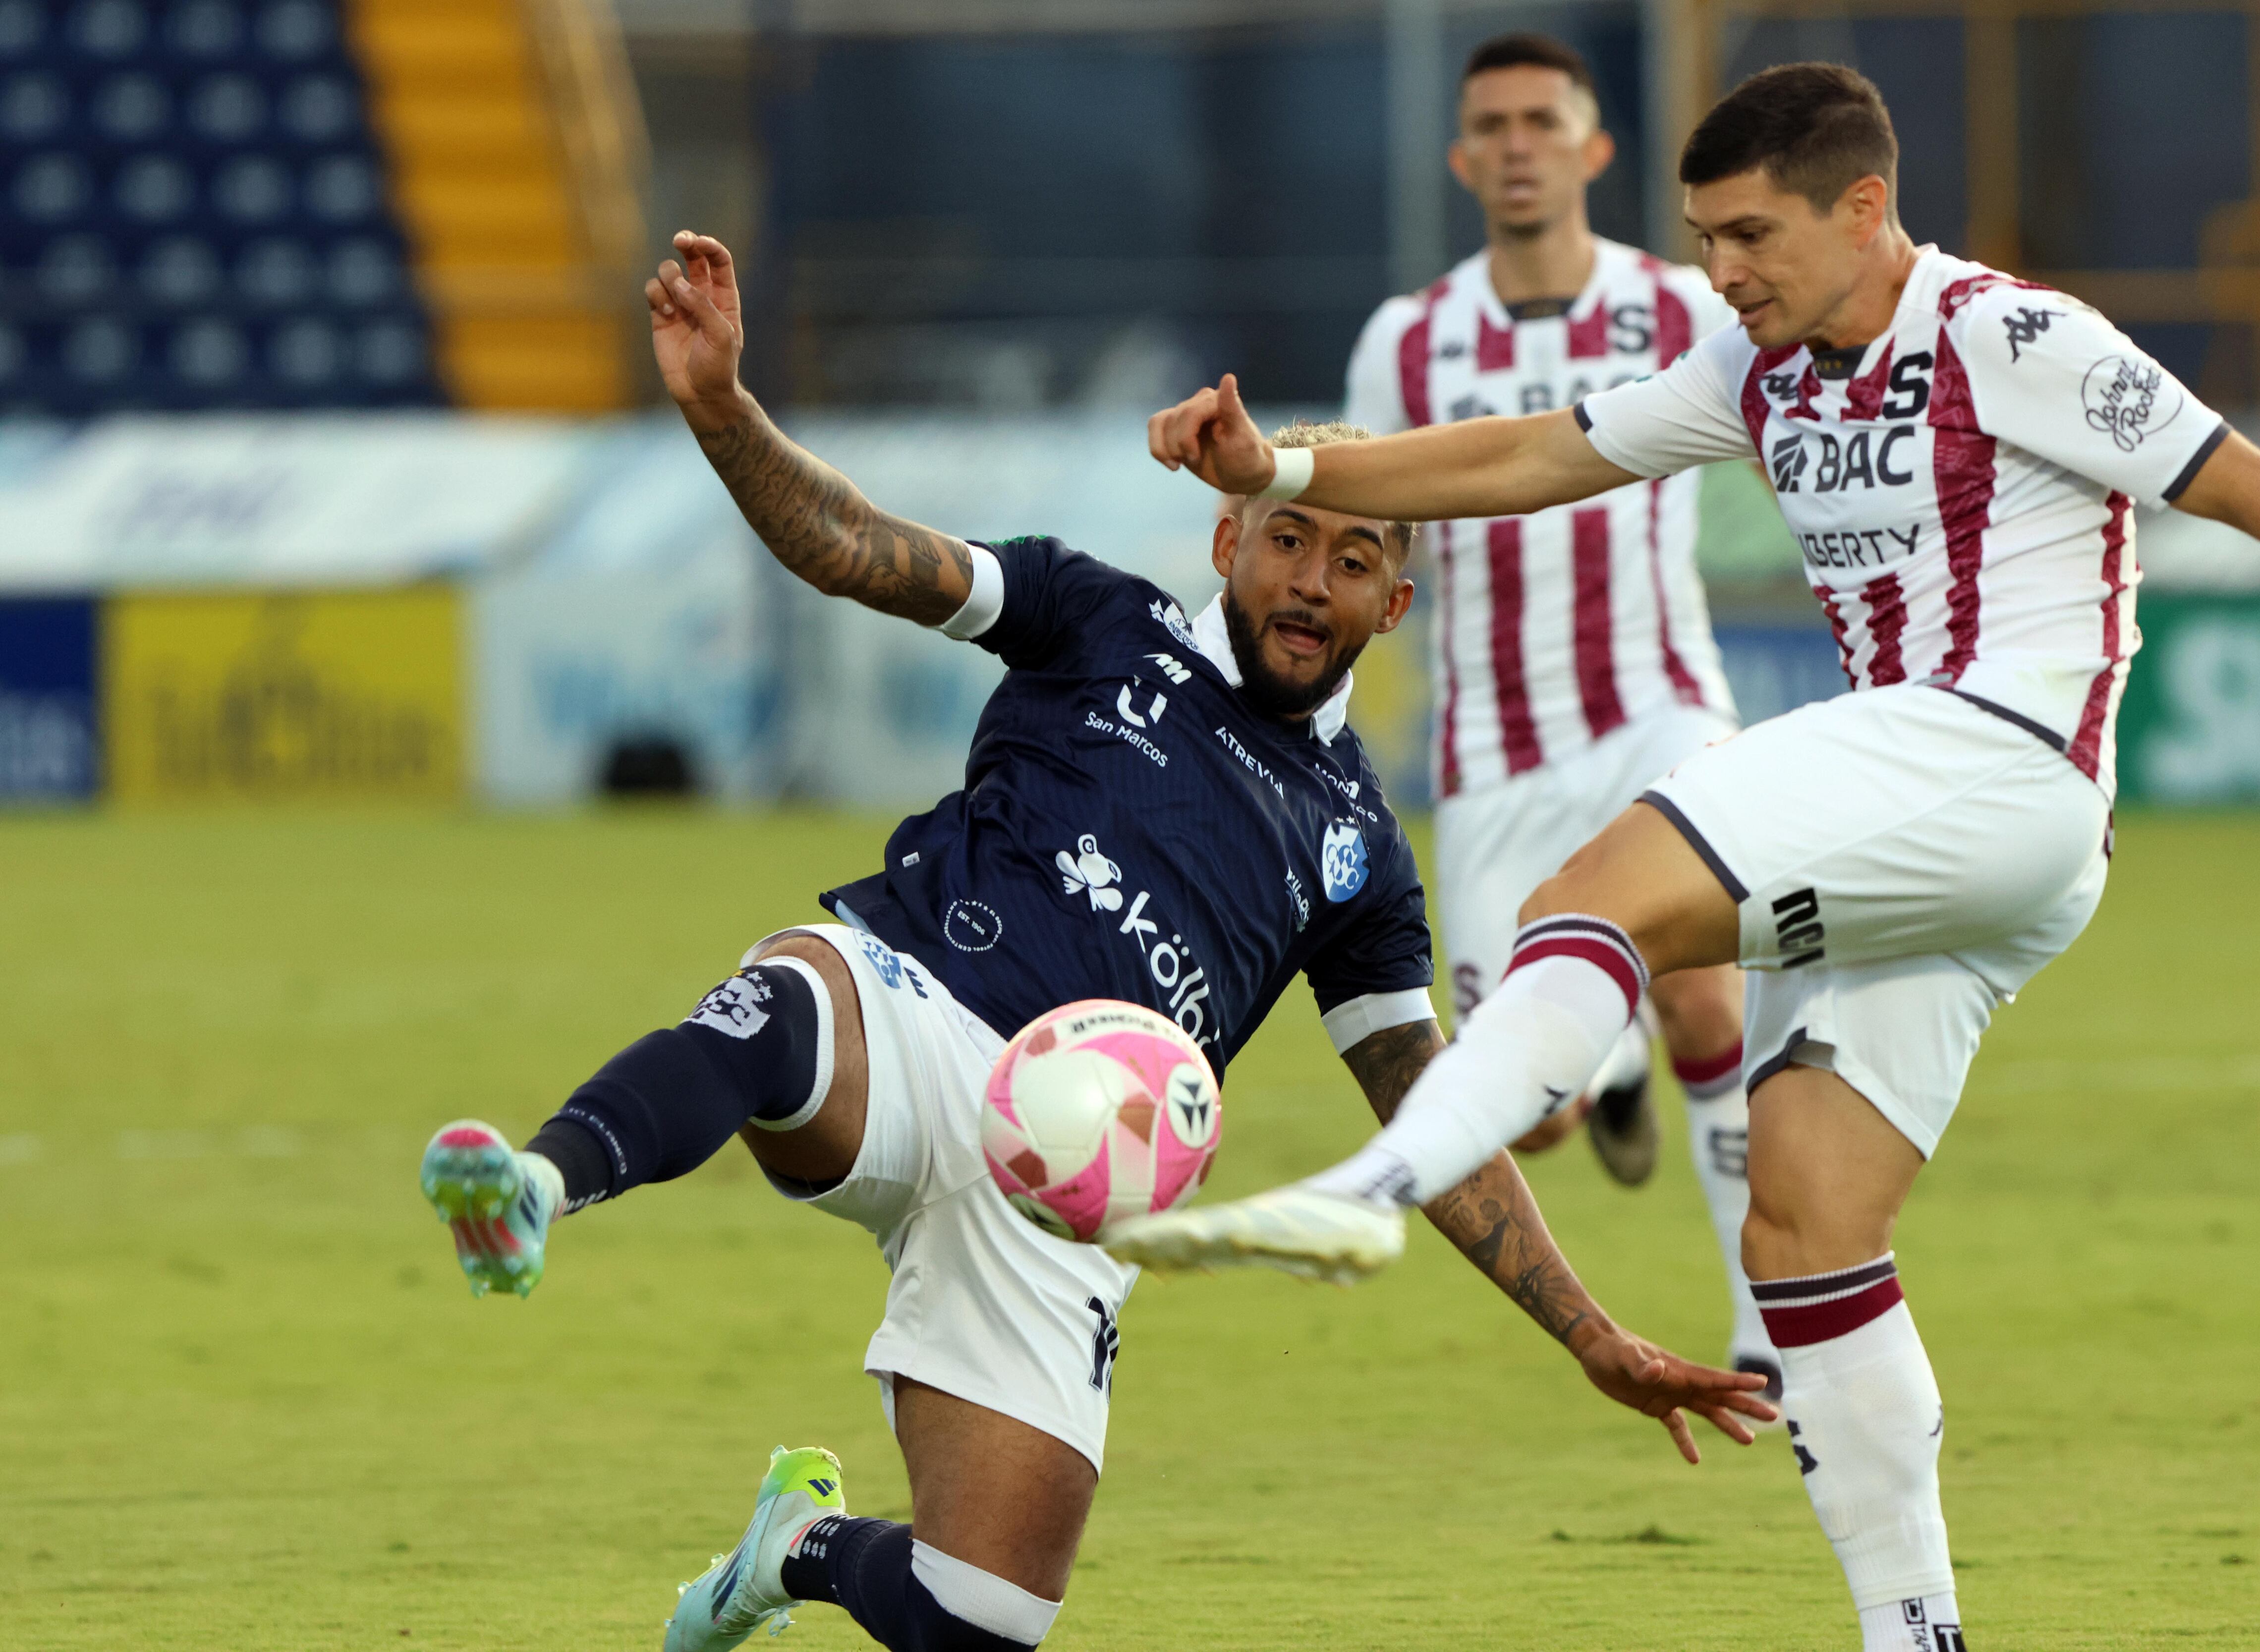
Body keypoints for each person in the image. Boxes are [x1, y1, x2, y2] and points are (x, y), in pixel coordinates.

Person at [1116, 63, 2260, 1652]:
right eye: (1704, 241)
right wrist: (1280, 471)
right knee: (1807, 1229)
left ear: (1865, 209)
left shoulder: (2011, 337)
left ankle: (1377, 1184)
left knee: (1592, 899)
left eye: (1752, 235)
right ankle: (1917, 1635)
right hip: (1955, 839)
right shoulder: (1756, 372)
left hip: (1996, 758)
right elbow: (1530, 458)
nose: (1726, 271)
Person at [416, 232, 1774, 1652]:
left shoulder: (1364, 849)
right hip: (916, 1011)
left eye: (1355, 558)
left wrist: (1592, 1333)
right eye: (1289, 539)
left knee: (982, 1620)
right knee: (788, 1006)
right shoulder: (1097, 620)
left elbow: (1437, 1116)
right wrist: (720, 410)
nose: (1312, 581)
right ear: (1226, 541)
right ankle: (533, 1188)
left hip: (1069, 1195)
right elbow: (860, 552)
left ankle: (794, 1548)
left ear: (1396, 603)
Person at [1344, 29, 1779, 1394]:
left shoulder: (1679, 307)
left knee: (1712, 976)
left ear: (1593, 150)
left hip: (1658, 706)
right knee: (1530, 1113)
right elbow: (1362, 529)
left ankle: (1771, 1326)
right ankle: (1615, 1067)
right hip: (1495, 755)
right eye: (1496, 125)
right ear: (1466, 160)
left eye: (1546, 120)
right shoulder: (1406, 343)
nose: (1520, 142)